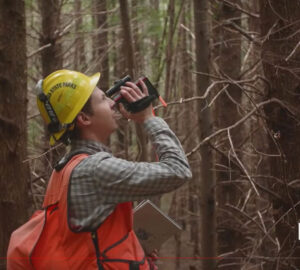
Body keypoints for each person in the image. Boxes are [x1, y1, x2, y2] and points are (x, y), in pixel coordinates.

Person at [35, 69, 192, 269]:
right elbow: (179, 169)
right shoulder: (96, 169)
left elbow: (86, 241)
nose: (112, 103)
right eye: (102, 99)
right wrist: (148, 118)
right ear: (84, 118)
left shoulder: (64, 169)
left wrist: (132, 248)